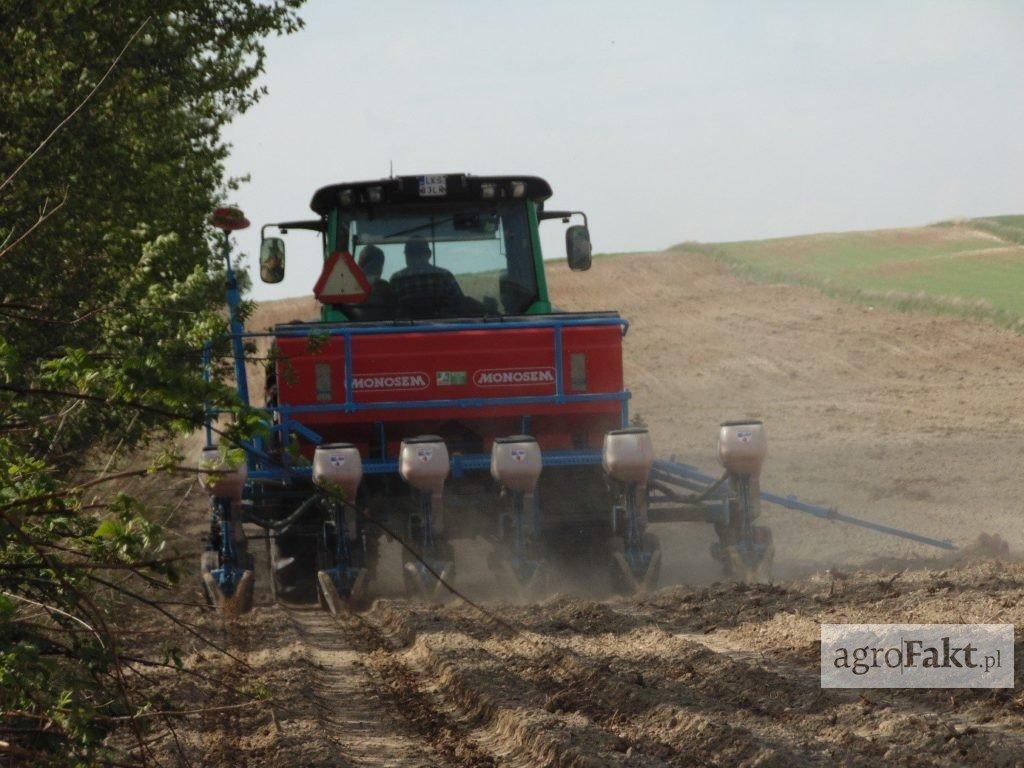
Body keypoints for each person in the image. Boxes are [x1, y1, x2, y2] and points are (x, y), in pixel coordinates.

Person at [389, 236, 464, 317]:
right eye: (412, 254)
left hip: (405, 328)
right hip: (442, 327)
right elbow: (460, 304)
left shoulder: (397, 279)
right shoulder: (445, 276)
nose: (414, 257)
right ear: (429, 254)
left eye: (416, 254)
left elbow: (389, 310)